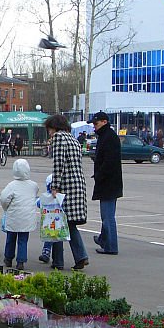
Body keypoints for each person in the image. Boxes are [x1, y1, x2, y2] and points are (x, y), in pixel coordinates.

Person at [44, 114, 88, 270]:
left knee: (57, 222)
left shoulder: (58, 138)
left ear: (54, 127)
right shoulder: (73, 139)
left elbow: (58, 164)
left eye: (49, 129)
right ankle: (79, 256)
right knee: (68, 223)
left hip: (65, 187)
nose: (49, 133)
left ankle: (59, 261)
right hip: (78, 185)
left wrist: (54, 187)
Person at [89, 111, 123, 256]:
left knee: (107, 216)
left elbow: (109, 162)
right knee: (107, 215)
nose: (94, 127)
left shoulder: (108, 137)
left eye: (96, 124)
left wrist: (99, 175)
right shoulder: (107, 136)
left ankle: (111, 246)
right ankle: (104, 239)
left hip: (108, 182)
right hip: (110, 182)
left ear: (104, 122)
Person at [0, 159, 39, 270]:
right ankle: (21, 261)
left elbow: (4, 199)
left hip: (13, 217)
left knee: (10, 238)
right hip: (27, 218)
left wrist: (6, 208)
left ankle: (8, 258)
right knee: (23, 240)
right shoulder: (33, 185)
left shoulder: (11, 186)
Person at [38, 174, 54, 264]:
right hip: (57, 221)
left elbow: (38, 203)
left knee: (49, 237)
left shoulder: (45, 196)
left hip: (48, 222)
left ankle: (46, 253)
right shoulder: (60, 196)